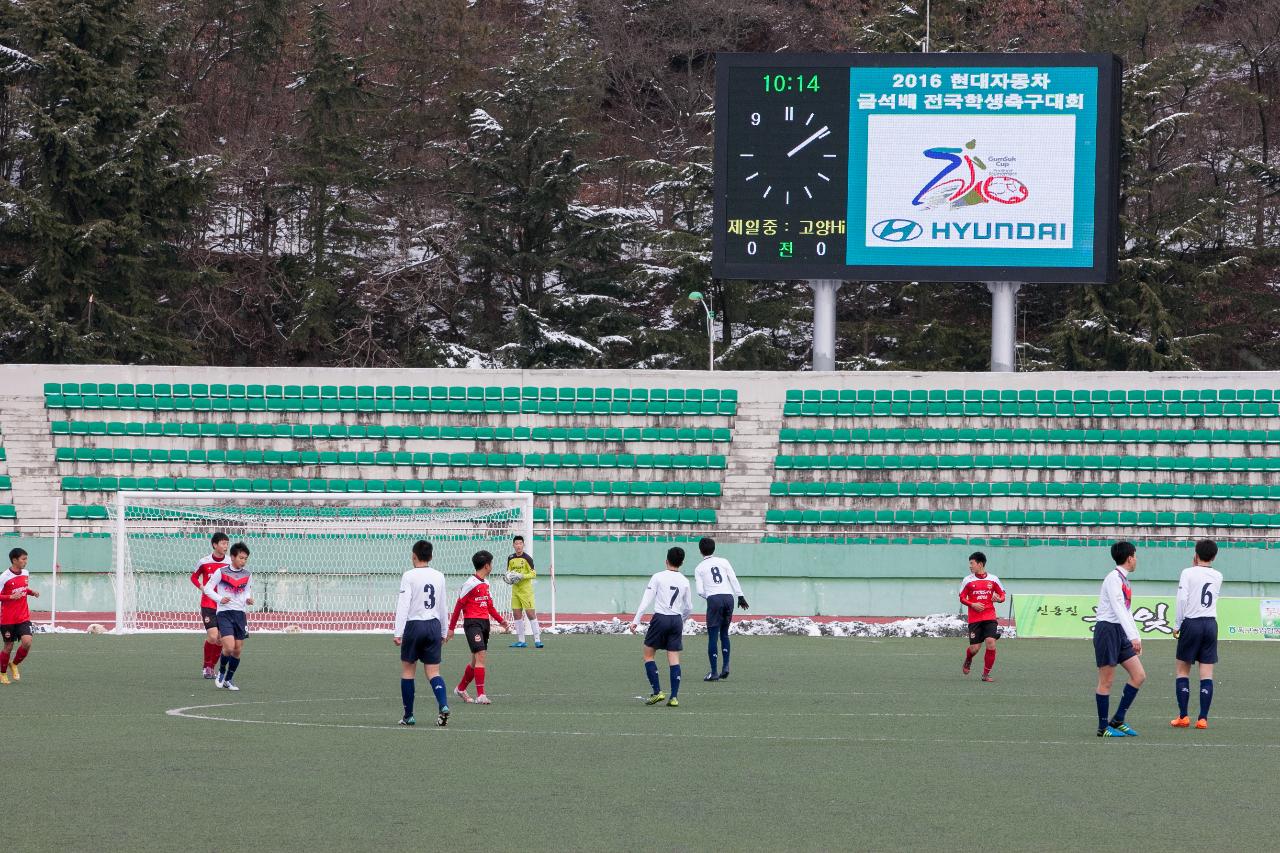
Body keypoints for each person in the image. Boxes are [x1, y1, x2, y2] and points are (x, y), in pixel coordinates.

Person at [393, 540, 451, 727]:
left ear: (414, 556)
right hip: (433, 625)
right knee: (433, 671)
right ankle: (443, 705)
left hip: (414, 625)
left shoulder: (409, 576)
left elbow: (403, 604)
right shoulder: (439, 576)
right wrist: (444, 630)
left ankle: (409, 715)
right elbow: (443, 605)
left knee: (408, 670)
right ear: (431, 556)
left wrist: (398, 631)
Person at [629, 547, 693, 707]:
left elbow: (646, 601)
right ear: (682, 563)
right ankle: (674, 697)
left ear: (666, 561)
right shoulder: (685, 581)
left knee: (648, 654)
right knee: (674, 658)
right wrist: (681, 620)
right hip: (676, 620)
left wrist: (636, 620)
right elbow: (689, 607)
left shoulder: (658, 577)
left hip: (661, 618)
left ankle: (657, 692)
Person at [1093, 541, 1146, 737]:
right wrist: (1132, 636)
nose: (1136, 559)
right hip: (1107, 631)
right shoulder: (1113, 578)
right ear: (1130, 558)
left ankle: (1118, 719)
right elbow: (1117, 608)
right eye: (1135, 555)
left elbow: (1126, 611)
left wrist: (1136, 637)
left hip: (1120, 632)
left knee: (1139, 675)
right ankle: (1102, 727)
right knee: (1106, 681)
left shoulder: (1124, 579)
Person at [1171, 539, 1223, 730]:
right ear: (1214, 556)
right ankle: (1203, 718)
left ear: (1195, 554)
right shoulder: (1218, 576)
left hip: (1191, 623)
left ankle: (1183, 716)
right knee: (1206, 674)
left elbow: (1182, 599)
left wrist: (1177, 624)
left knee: (1182, 671)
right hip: (1210, 624)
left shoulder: (1187, 572)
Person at [449, 549, 511, 705]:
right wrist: (451, 628)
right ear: (486, 566)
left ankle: (461, 688)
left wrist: (501, 620)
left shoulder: (486, 583)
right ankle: (481, 694)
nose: (492, 566)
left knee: (475, 661)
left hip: (485, 624)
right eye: (491, 564)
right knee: (481, 657)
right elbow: (458, 606)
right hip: (472, 623)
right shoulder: (470, 583)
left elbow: (489, 606)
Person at [693, 537, 748, 682]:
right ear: (714, 548)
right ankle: (726, 666)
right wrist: (740, 597)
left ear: (700, 551)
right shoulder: (724, 561)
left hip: (714, 599)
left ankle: (714, 672)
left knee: (712, 636)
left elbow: (699, 590)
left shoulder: (699, 568)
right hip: (729, 597)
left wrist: (710, 597)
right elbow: (733, 578)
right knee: (724, 633)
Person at [202, 542, 254, 691]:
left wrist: (248, 599)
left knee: (237, 650)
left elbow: (246, 591)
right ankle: (221, 671)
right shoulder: (222, 572)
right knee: (229, 647)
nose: (243, 561)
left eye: (245, 559)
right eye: (241, 558)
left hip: (240, 614)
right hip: (224, 613)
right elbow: (207, 589)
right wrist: (219, 599)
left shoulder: (247, 574)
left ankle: (229, 679)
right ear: (232, 557)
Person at [959, 552, 1005, 682]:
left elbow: (1002, 595)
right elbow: (962, 598)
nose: (970, 566)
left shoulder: (993, 579)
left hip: (990, 616)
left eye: (972, 563)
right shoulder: (967, 580)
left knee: (991, 643)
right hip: (975, 619)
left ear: (980, 564)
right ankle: (968, 659)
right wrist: (972, 604)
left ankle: (985, 674)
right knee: (975, 649)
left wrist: (999, 599)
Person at [191, 531, 230, 679]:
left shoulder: (229, 563)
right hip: (208, 603)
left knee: (221, 639)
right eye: (223, 543)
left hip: (224, 605)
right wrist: (201, 587)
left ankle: (211, 668)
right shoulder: (204, 561)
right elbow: (193, 577)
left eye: (227, 543)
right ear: (215, 545)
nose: (226, 546)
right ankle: (206, 665)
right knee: (213, 636)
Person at [0, 548, 40, 685]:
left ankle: (15, 664)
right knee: (8, 646)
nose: (25, 562)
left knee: (27, 642)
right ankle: (3, 673)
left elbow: (22, 588)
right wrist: (10, 596)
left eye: (26, 558)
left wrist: (31, 592)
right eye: (23, 559)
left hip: (23, 616)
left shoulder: (26, 573)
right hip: (7, 619)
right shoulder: (4, 577)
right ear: (14, 560)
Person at [507, 535, 542, 649]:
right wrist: (509, 578)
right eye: (516, 543)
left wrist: (522, 576)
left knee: (530, 614)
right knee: (516, 614)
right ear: (513, 545)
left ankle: (537, 640)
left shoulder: (527, 558)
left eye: (520, 543)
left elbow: (533, 574)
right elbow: (509, 573)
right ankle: (521, 641)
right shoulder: (510, 558)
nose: (518, 546)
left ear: (523, 545)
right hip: (515, 591)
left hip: (526, 591)